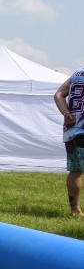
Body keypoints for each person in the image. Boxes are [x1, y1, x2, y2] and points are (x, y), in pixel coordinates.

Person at [54, 68, 84, 215]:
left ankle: (75, 211)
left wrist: (66, 113)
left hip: (72, 131)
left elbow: (58, 95)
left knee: (76, 171)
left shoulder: (77, 74)